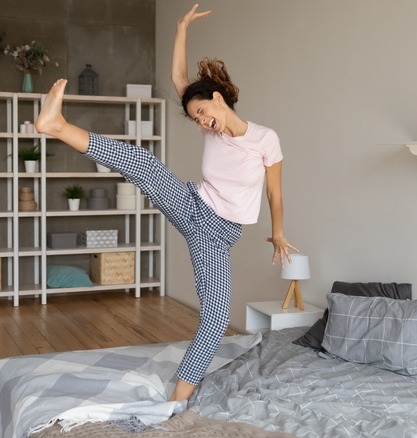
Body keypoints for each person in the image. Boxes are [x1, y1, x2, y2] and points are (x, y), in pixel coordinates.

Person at [34, 3, 297, 404]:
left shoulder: (265, 139)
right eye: (195, 119)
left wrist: (278, 234)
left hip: (218, 236)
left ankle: (177, 399)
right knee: (143, 162)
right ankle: (56, 125)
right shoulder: (209, 126)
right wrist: (181, 29)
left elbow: (274, 192)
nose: (202, 122)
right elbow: (177, 76)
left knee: (216, 319)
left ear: (217, 99)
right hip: (192, 203)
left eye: (203, 113)